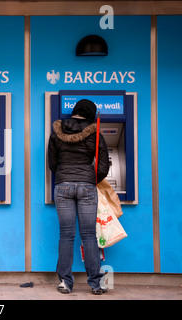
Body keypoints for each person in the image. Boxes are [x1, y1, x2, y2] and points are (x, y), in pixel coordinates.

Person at [47, 99, 109, 295]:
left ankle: (65, 282)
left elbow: (52, 163)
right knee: (89, 235)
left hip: (63, 185)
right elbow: (103, 165)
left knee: (66, 235)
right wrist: (91, 178)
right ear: (90, 114)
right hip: (87, 187)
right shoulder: (95, 133)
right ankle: (96, 284)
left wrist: (64, 176)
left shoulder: (56, 132)